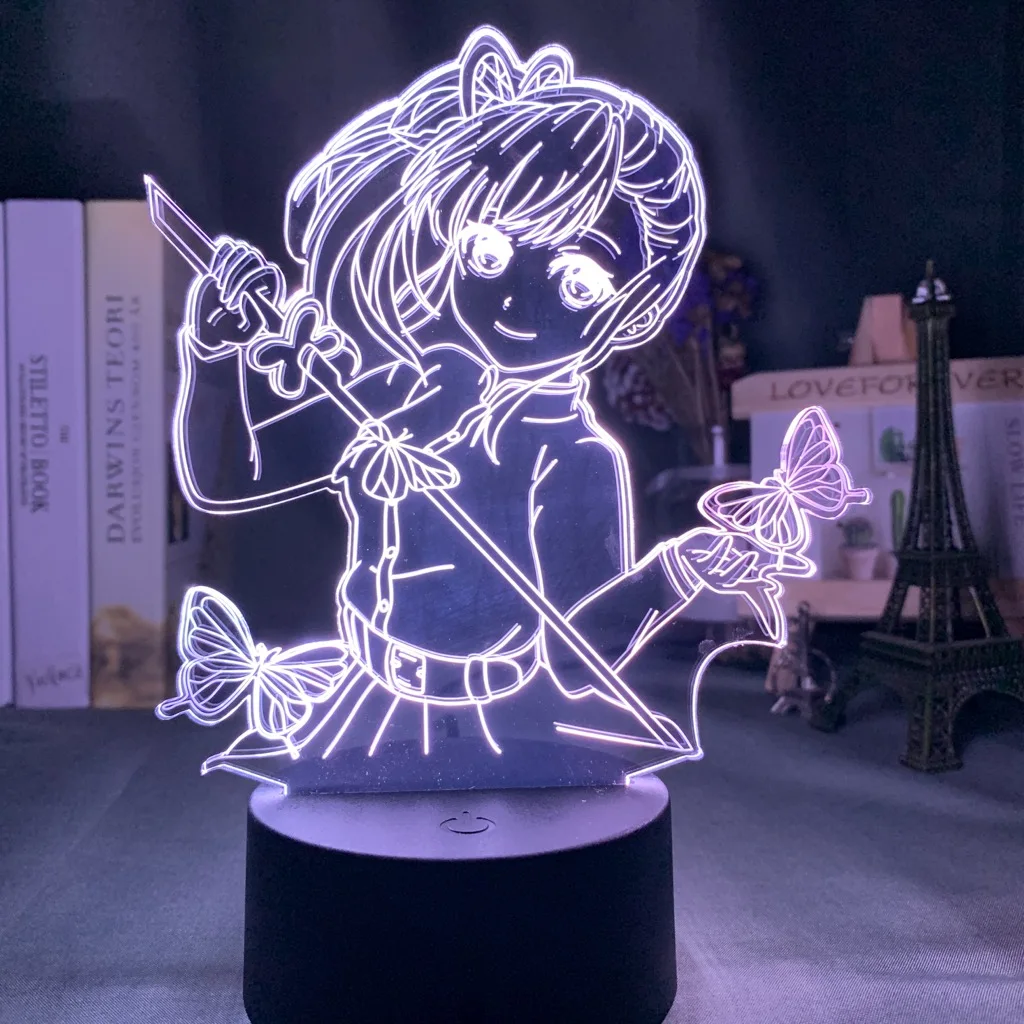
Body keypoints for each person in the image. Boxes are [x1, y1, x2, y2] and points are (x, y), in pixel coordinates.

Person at [158, 27, 866, 791]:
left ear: (631, 309)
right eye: (488, 254)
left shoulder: (578, 457)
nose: (516, 305)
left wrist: (674, 574)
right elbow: (231, 484)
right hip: (365, 696)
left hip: (501, 722)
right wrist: (213, 359)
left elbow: (580, 644)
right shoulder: (414, 381)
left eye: (578, 283)